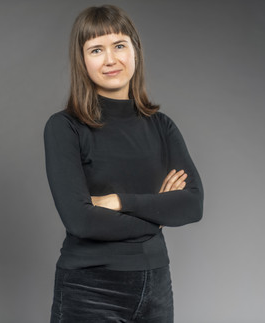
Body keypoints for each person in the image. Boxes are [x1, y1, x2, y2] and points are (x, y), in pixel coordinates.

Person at [43, 4, 204, 322]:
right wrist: (157, 216)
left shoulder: (162, 126)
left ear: (135, 50)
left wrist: (118, 202)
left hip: (156, 285)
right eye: (96, 50)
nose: (110, 60)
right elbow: (81, 221)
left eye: (119, 45)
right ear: (82, 60)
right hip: (89, 291)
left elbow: (192, 205)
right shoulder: (65, 128)